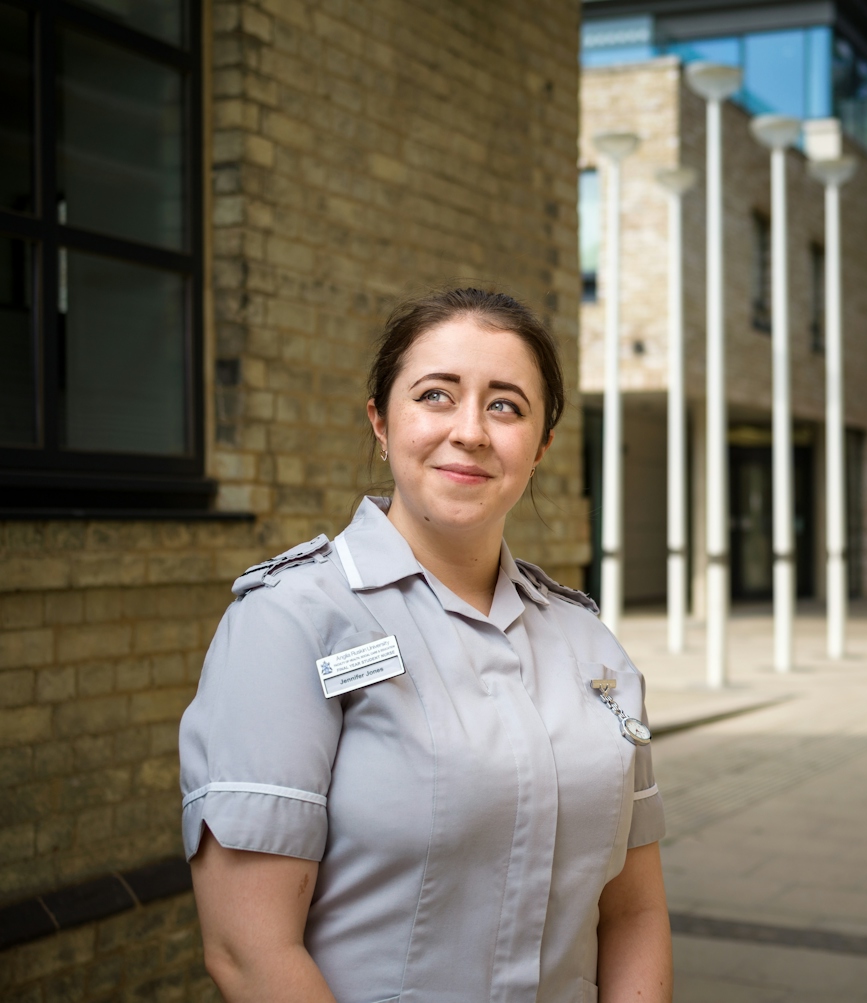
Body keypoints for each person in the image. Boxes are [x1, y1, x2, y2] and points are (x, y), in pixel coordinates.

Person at [180, 288, 671, 1003]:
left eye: (505, 405)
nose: (470, 430)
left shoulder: (589, 643)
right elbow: (248, 951)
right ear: (381, 421)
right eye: (436, 395)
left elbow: (634, 912)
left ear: (542, 447)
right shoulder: (290, 621)